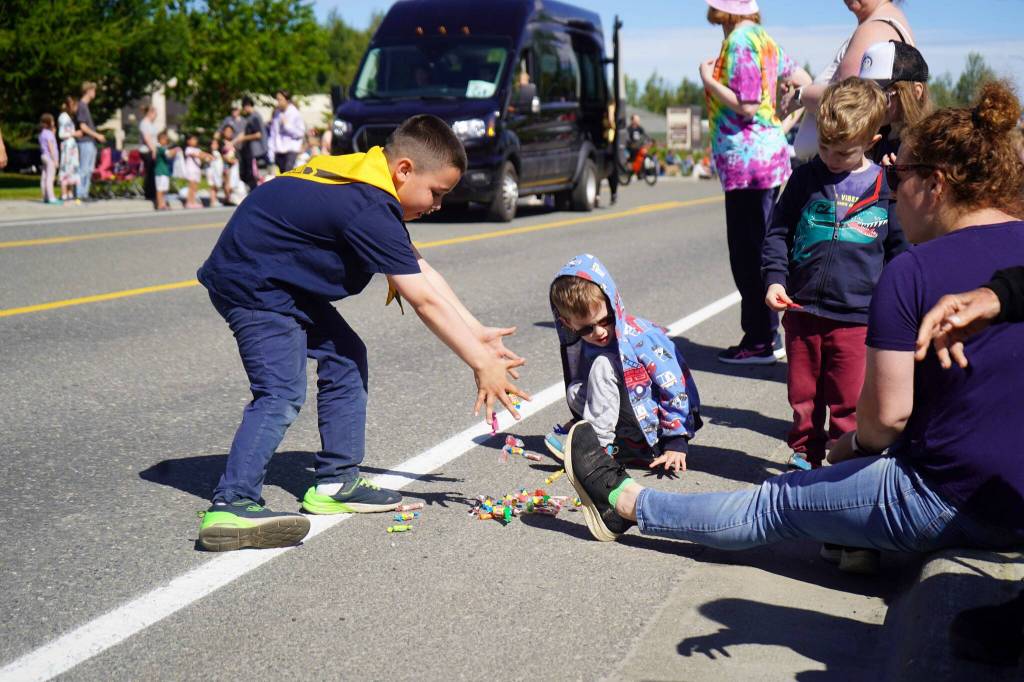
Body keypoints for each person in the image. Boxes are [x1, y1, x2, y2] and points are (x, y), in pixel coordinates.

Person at [559, 83, 1024, 573]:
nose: (891, 179)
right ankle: (853, 538)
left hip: (955, 499)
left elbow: (886, 421)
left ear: (937, 185)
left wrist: (850, 449)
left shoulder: (912, 272)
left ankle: (625, 502)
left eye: (900, 170)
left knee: (775, 504)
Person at [195, 115, 528, 552]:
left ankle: (336, 482)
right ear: (404, 170)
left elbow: (420, 268)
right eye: (436, 193)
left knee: (346, 355)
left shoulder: (369, 181)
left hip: (278, 280)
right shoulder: (367, 203)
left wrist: (475, 330)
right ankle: (232, 503)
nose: (437, 205)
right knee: (280, 390)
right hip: (252, 284)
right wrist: (481, 364)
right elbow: (423, 301)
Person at [762, 77, 906, 473]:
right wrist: (775, 279)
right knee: (803, 394)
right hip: (802, 308)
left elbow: (899, 253)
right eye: (824, 145)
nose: (829, 156)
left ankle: (846, 466)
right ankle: (804, 456)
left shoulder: (886, 187)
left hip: (858, 317)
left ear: (872, 141)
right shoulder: (806, 179)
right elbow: (778, 232)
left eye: (842, 151)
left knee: (847, 399)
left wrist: (893, 307)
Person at [699, 0, 812, 364]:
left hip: (747, 163)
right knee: (761, 243)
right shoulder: (766, 39)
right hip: (764, 156)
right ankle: (766, 333)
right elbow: (805, 83)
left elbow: (746, 104)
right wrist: (781, 125)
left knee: (748, 251)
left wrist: (708, 79)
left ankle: (761, 338)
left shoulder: (740, 41)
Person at [544, 254, 702, 473]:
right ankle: (625, 446)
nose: (598, 332)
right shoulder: (585, 341)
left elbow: (674, 385)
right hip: (632, 416)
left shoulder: (640, 336)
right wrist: (580, 420)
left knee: (603, 365)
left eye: (605, 321)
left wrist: (676, 439)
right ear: (568, 324)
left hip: (656, 423)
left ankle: (597, 449)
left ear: (612, 304)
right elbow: (598, 391)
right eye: (586, 328)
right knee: (575, 390)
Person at [789, 0, 915, 161]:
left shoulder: (874, 30)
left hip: (839, 169)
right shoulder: (884, 24)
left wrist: (800, 95)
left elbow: (846, 100)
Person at [858, 40, 931, 164]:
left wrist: (901, 174)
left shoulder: (926, 147)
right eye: (868, 94)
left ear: (916, 92)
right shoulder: (872, 138)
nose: (873, 103)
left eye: (883, 95)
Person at [76, 81, 105, 200]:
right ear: (88, 91)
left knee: (89, 169)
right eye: (93, 90)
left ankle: (85, 193)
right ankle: (79, 193)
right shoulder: (82, 106)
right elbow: (83, 126)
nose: (95, 93)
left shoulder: (85, 106)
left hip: (90, 142)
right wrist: (97, 135)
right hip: (85, 142)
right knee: (84, 169)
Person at [268, 89, 305, 173]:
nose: (278, 102)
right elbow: (273, 133)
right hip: (279, 150)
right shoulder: (277, 113)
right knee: (281, 177)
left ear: (287, 100)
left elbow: (300, 133)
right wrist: (271, 151)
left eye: (280, 99)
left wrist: (288, 127)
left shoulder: (294, 113)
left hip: (291, 150)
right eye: (277, 99)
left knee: (288, 175)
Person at [235, 96, 265, 191]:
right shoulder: (251, 117)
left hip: (257, 151)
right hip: (252, 150)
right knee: (249, 173)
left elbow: (258, 134)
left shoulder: (254, 117)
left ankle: (256, 192)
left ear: (247, 106)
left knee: (254, 174)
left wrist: (243, 138)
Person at [57, 97, 81, 202]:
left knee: (72, 169)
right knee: (66, 168)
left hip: (72, 147)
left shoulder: (69, 117)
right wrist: (74, 134)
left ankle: (70, 193)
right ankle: (64, 193)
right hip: (67, 147)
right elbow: (61, 134)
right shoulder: (63, 117)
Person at [181, 133, 212, 209]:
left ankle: (193, 201)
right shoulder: (188, 149)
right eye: (193, 139)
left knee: (195, 187)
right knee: (191, 186)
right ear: (188, 141)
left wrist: (208, 155)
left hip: (197, 170)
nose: (195, 141)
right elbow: (196, 155)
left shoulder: (197, 149)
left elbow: (201, 153)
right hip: (191, 170)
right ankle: (189, 202)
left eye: (195, 139)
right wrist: (206, 156)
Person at [138, 105, 159, 205]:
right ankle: (149, 194)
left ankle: (152, 192)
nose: (156, 116)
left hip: (153, 149)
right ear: (150, 113)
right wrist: (153, 150)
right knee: (150, 173)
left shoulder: (151, 124)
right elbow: (147, 138)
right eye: (155, 114)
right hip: (147, 151)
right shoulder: (144, 123)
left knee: (152, 173)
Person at [38, 113, 60, 204]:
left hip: (43, 156)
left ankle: (45, 196)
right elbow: (51, 147)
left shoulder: (42, 133)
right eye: (52, 121)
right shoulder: (49, 134)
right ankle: (51, 197)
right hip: (50, 157)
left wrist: (53, 133)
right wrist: (55, 160)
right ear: (49, 123)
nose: (54, 122)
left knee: (44, 176)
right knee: (50, 178)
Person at [153, 130, 178, 211]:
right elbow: (169, 154)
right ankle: (160, 205)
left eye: (166, 139)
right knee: (160, 189)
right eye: (164, 139)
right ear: (159, 140)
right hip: (160, 172)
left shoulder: (163, 148)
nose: (166, 141)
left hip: (165, 172)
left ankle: (163, 204)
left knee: (164, 189)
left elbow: (170, 155)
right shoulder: (159, 148)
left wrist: (174, 151)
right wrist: (175, 149)